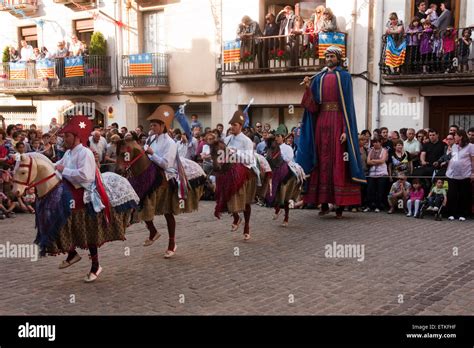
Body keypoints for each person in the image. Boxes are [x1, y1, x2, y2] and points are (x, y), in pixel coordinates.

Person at [298, 46, 366, 218]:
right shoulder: (318, 77)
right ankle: (323, 202)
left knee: (338, 161)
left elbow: (347, 106)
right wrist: (307, 88)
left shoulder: (344, 76)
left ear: (338, 58)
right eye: (326, 56)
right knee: (321, 161)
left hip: (337, 120)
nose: (328, 58)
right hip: (321, 123)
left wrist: (345, 129)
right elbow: (312, 106)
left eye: (332, 56)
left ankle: (340, 204)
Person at [217, 110, 257, 240]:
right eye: (231, 125)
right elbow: (221, 155)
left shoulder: (247, 141)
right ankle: (236, 217)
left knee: (246, 202)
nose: (232, 127)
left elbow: (249, 159)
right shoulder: (227, 139)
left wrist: (235, 153)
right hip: (229, 170)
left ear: (240, 126)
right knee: (223, 189)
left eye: (234, 125)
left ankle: (247, 226)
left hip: (243, 171)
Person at [446, 129, 474, 221]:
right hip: (452, 174)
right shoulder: (454, 146)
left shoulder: (470, 146)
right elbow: (453, 158)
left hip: (465, 174)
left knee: (463, 194)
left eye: (456, 135)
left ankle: (462, 213)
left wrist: (473, 173)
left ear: (461, 136)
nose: (454, 137)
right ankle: (452, 213)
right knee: (452, 194)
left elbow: (472, 160)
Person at [365, 137, 388, 212]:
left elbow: (382, 161)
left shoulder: (384, 150)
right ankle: (369, 206)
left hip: (382, 173)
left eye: (378, 142)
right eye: (374, 142)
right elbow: (368, 162)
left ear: (380, 142)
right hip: (372, 173)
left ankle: (378, 206)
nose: (376, 143)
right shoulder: (370, 150)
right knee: (370, 190)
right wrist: (376, 161)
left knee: (380, 191)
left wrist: (373, 160)